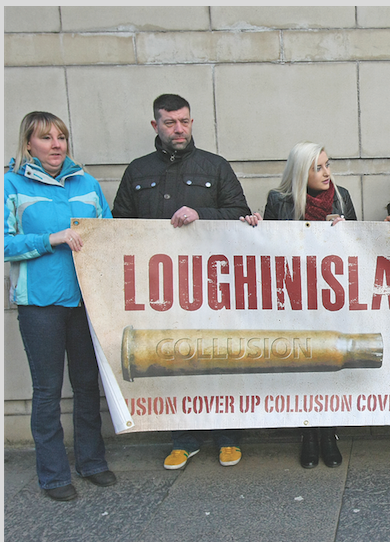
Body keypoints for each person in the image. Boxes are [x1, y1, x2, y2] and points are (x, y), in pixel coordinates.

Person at [113, 94, 252, 470]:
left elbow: (240, 213)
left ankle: (228, 437)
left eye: (185, 122)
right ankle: (183, 438)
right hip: (160, 288)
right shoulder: (137, 171)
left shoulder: (215, 166)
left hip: (212, 286)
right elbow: (119, 224)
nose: (179, 129)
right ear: (155, 125)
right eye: (171, 122)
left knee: (221, 357)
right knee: (173, 360)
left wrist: (200, 212)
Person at [4, 111, 117, 501]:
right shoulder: (11, 184)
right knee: (48, 390)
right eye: (46, 138)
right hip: (39, 303)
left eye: (61, 137)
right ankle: (53, 475)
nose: (56, 145)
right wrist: (51, 238)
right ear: (29, 144)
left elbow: (110, 231)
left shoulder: (85, 182)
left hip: (86, 301)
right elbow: (5, 243)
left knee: (88, 386)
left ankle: (92, 462)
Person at [242, 141, 354, 469]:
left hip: (331, 296)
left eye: (327, 165)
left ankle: (328, 431)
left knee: (328, 361)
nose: (326, 173)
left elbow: (358, 240)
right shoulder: (280, 200)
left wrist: (343, 229)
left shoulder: (341, 196)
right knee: (304, 361)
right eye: (317, 167)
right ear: (300, 171)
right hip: (295, 296)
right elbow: (271, 246)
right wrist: (254, 227)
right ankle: (308, 432)